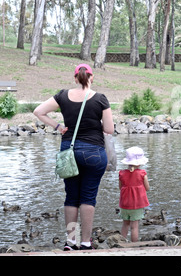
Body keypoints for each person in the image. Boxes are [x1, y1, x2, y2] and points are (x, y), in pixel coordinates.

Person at [34, 63, 114, 250]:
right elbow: (109, 130)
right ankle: (86, 243)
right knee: (88, 197)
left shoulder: (62, 96)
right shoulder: (101, 99)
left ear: (76, 78)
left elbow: (38, 111)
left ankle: (70, 242)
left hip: (69, 152)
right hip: (94, 152)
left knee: (71, 198)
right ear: (91, 78)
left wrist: (58, 127)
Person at [119, 147, 150, 242]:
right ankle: (134, 245)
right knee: (134, 227)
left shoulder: (121, 173)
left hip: (125, 204)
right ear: (139, 163)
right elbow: (147, 188)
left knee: (125, 224)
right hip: (137, 205)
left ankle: (122, 243)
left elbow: (120, 187)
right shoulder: (142, 173)